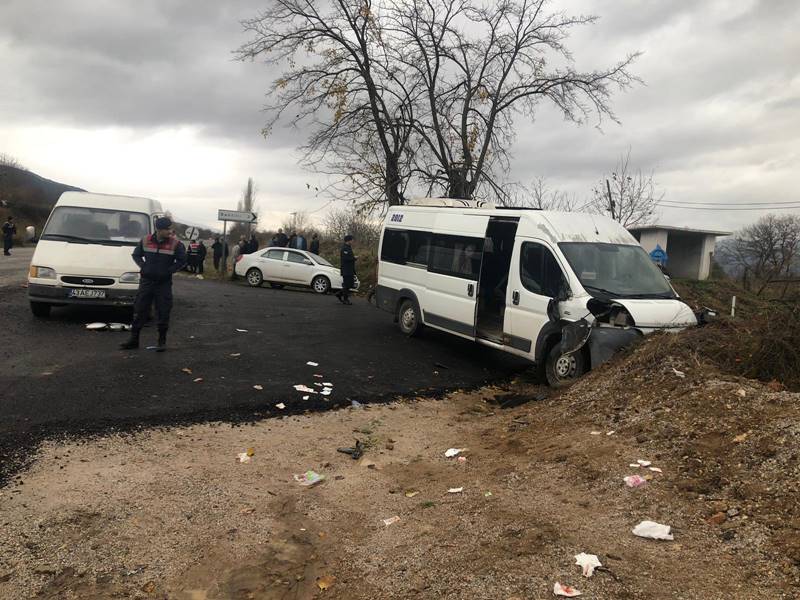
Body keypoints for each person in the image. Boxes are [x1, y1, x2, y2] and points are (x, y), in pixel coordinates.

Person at [120, 216, 187, 352]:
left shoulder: (175, 244)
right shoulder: (145, 240)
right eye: (167, 229)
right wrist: (143, 266)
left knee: (163, 310)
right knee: (140, 310)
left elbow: (182, 260)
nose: (170, 231)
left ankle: (161, 341)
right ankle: (134, 340)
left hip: (163, 283)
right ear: (159, 229)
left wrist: (169, 271)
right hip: (147, 282)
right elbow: (136, 255)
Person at [335, 234, 357, 305]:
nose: (353, 241)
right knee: (347, 285)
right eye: (352, 240)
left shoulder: (349, 247)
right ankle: (345, 299)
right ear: (348, 240)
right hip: (346, 270)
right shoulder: (344, 248)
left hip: (350, 269)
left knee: (350, 284)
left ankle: (339, 293)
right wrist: (354, 258)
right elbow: (346, 259)